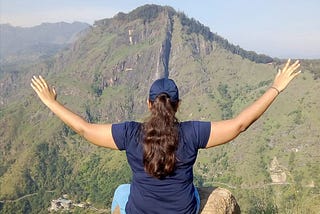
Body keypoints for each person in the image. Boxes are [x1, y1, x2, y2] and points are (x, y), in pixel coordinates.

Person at [31, 59, 300, 214]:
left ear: (149, 104)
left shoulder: (129, 133)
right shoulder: (192, 133)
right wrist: (276, 88)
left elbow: (84, 129)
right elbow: (240, 124)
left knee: (122, 191)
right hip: (183, 210)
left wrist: (51, 102)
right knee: (194, 189)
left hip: (141, 210)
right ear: (177, 104)